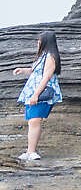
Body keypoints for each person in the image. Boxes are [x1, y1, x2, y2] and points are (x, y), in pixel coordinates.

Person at [13, 30, 63, 162]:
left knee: (35, 120)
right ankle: (30, 151)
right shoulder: (42, 56)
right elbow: (36, 72)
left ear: (45, 42)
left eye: (39, 41)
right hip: (33, 92)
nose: (37, 43)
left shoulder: (51, 57)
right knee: (32, 121)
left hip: (41, 93)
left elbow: (46, 77)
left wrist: (36, 95)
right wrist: (23, 70)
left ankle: (32, 152)